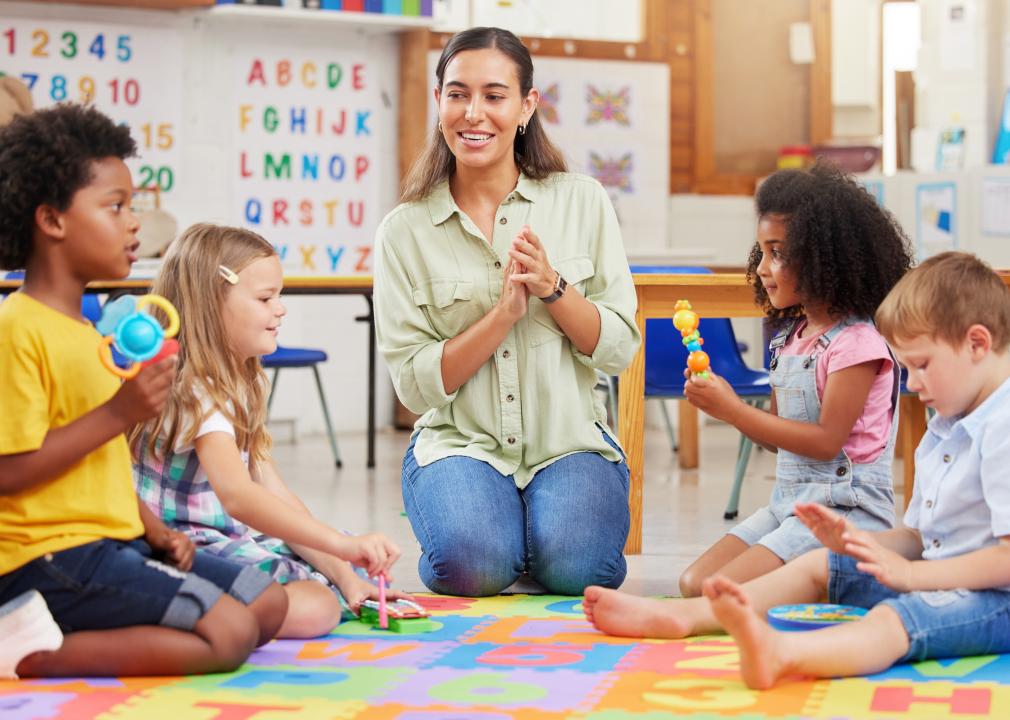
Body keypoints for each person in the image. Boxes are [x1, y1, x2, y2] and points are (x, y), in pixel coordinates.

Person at [585, 251, 1010, 689]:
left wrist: (913, 576)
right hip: (938, 580)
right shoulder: (945, 425)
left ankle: (784, 654)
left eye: (921, 366)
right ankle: (682, 616)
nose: (913, 385)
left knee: (896, 619)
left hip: (996, 601)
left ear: (977, 343)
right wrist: (857, 543)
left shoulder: (1002, 427)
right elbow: (921, 537)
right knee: (823, 564)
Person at [0, 104, 287, 678]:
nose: (135, 223)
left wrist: (155, 531)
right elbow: (8, 471)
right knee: (228, 633)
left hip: (114, 540)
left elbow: (99, 463)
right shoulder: (17, 328)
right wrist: (120, 411)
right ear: (52, 221)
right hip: (45, 558)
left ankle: (79, 622)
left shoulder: (88, 333)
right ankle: (24, 649)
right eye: (116, 207)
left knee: (267, 601)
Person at [374, 26, 640, 597]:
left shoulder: (582, 200)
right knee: (472, 569)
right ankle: (499, 535)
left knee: (580, 572)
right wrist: (500, 317)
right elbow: (416, 389)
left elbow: (618, 348)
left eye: (494, 96)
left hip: (568, 442)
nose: (474, 114)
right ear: (440, 103)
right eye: (457, 94)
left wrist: (552, 288)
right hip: (460, 445)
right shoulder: (404, 231)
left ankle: (532, 534)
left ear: (526, 107)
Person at [131, 223, 406, 638]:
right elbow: (239, 498)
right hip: (182, 546)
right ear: (211, 303)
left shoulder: (240, 380)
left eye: (279, 295)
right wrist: (341, 550)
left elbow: (274, 492)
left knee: (337, 564)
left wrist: (345, 573)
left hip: (222, 535)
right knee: (316, 606)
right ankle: (179, 610)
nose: (281, 309)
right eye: (265, 298)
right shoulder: (194, 390)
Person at [673, 162, 913, 597]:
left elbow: (825, 442)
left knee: (718, 593)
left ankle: (842, 574)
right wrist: (722, 406)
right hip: (788, 506)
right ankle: (809, 583)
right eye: (762, 251)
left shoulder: (857, 343)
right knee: (693, 584)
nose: (763, 268)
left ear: (824, 257)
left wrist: (734, 408)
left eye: (778, 252)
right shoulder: (791, 339)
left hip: (844, 511)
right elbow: (777, 438)